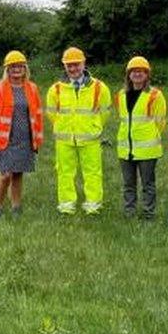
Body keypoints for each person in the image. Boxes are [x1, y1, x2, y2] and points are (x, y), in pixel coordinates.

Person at [46, 47, 112, 215]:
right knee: (64, 172)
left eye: (76, 64)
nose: (73, 68)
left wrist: (93, 127)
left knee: (92, 173)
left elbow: (105, 112)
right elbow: (51, 113)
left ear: (84, 64)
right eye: (69, 65)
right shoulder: (56, 89)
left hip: (90, 138)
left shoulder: (99, 88)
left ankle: (93, 205)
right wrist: (63, 127)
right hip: (64, 139)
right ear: (64, 66)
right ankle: (67, 205)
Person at [0, 50, 43, 219]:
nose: (17, 70)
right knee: (5, 175)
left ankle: (16, 208)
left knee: (18, 173)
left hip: (25, 138)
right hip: (4, 139)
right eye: (13, 67)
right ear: (7, 69)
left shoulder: (32, 88)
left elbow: (37, 114)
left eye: (20, 66)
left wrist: (37, 139)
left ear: (25, 69)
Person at [115, 56, 167, 219]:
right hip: (125, 148)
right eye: (134, 71)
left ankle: (148, 213)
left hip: (147, 150)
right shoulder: (121, 95)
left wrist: (149, 136)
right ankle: (129, 213)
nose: (137, 74)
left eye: (141, 71)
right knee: (128, 184)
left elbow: (161, 122)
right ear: (128, 74)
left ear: (147, 74)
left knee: (148, 184)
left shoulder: (155, 95)